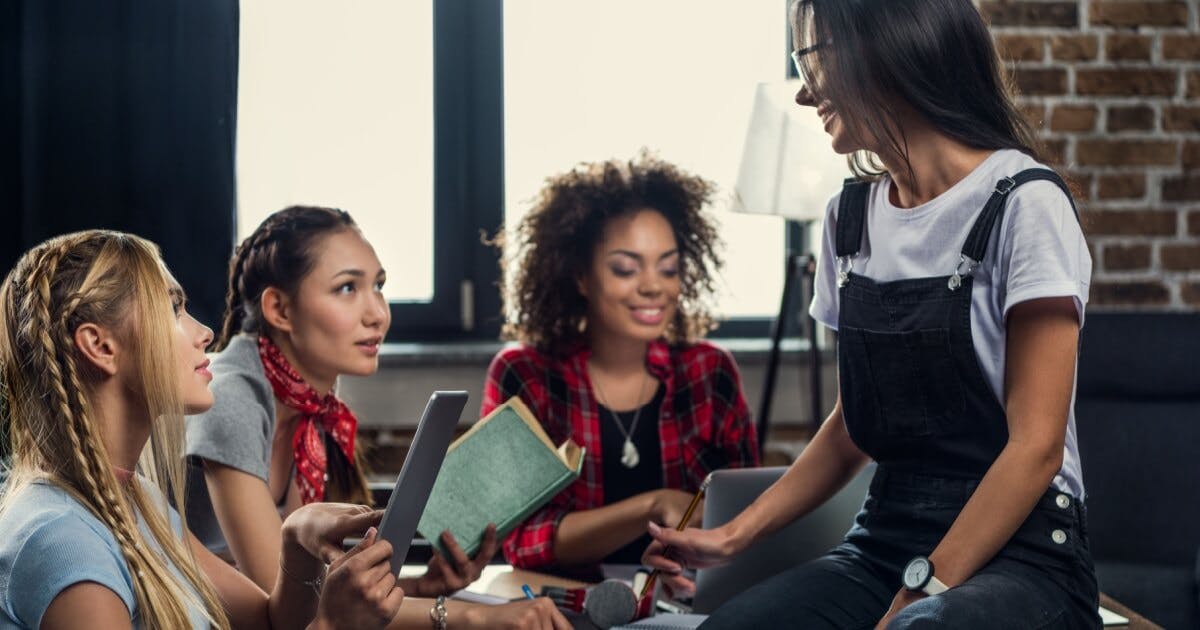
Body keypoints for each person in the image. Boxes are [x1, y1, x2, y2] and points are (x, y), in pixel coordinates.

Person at [643, 1, 1101, 628]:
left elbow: (1037, 447)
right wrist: (731, 538)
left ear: (884, 48)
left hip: (1023, 552)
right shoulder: (849, 219)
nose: (805, 94)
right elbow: (854, 426)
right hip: (884, 540)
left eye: (813, 60)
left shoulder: (1026, 204)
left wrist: (921, 593)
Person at [186, 206, 566, 629]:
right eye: (347, 288)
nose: (378, 315)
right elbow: (285, 607)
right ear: (279, 310)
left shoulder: (309, 406)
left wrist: (421, 587)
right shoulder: (231, 395)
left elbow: (313, 589)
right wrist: (474, 616)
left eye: (379, 286)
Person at [0, 230, 402, 629]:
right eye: (173, 309)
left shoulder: (139, 500)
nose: (205, 333)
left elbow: (267, 623)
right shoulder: (62, 543)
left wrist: (297, 541)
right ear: (101, 347)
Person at [483, 153, 760, 572]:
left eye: (668, 268)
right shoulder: (526, 374)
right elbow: (519, 540)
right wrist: (653, 506)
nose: (653, 286)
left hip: (682, 603)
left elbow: (744, 518)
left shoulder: (709, 371)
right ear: (580, 276)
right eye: (626, 268)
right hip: (558, 606)